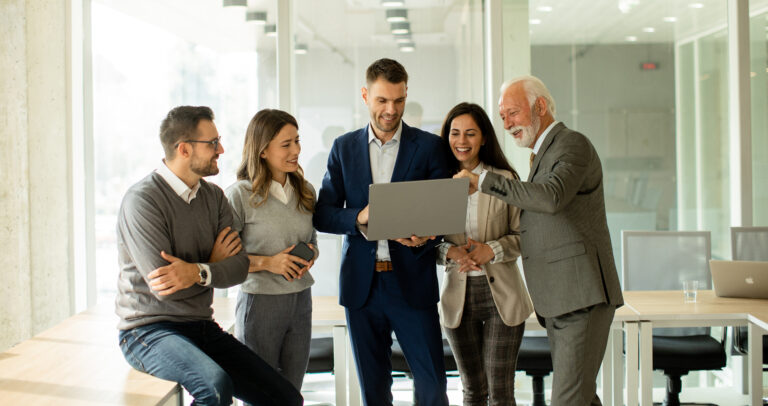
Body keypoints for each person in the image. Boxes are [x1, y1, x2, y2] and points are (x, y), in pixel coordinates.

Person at [115, 105, 303, 406]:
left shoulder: (213, 197)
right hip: (148, 331)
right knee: (215, 388)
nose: (222, 149)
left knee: (286, 398)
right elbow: (167, 291)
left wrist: (198, 271)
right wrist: (214, 265)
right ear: (184, 149)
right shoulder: (143, 201)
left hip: (201, 325)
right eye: (213, 143)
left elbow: (239, 268)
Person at [455, 76, 624, 405]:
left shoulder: (572, 144)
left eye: (513, 113)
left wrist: (484, 181)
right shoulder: (542, 154)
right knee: (581, 397)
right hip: (562, 300)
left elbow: (550, 197)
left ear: (540, 106)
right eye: (502, 117)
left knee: (568, 399)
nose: (507, 124)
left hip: (581, 297)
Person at [313, 58, 450, 406]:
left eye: (399, 100)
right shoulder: (344, 148)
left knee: (433, 384)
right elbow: (324, 214)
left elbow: (444, 213)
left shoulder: (430, 147)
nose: (391, 110)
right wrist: (359, 216)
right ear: (365, 95)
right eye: (382, 100)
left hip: (412, 283)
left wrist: (428, 234)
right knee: (374, 390)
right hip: (363, 286)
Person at [436, 102, 533, 406]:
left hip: (502, 296)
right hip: (457, 297)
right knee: (472, 391)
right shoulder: (436, 181)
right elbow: (425, 243)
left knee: (500, 392)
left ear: (484, 139)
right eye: (455, 133)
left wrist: (490, 250)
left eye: (470, 133)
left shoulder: (504, 180)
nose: (461, 141)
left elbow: (525, 237)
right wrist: (448, 252)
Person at [225, 109, 318, 393]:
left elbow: (312, 241)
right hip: (261, 304)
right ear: (262, 150)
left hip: (301, 301)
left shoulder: (306, 191)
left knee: (292, 393)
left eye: (297, 141)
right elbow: (223, 260)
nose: (296, 150)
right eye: (286, 144)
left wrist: (310, 255)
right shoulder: (239, 195)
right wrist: (270, 262)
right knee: (260, 395)